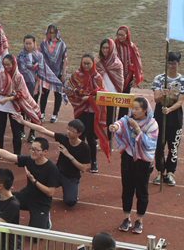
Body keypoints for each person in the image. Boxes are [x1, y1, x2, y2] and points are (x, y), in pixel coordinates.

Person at [0, 136, 59, 230]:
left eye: (36, 150)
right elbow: (9, 155)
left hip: (41, 203)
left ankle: (46, 217)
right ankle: (2, 222)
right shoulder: (29, 160)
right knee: (2, 197)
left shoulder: (51, 168)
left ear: (45, 152)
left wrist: (34, 181)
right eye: (31, 149)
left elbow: (50, 192)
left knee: (35, 237)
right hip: (27, 196)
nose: (32, 152)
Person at [13, 114, 90, 207]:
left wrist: (69, 155)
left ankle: (72, 192)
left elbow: (83, 168)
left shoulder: (84, 148)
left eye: (72, 131)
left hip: (71, 177)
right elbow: (43, 130)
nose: (69, 132)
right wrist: (23, 122)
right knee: (39, 185)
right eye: (68, 129)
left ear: (79, 134)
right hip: (57, 172)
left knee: (70, 202)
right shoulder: (64, 138)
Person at [109, 97, 158, 234]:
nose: (134, 111)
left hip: (142, 162)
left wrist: (137, 129)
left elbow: (149, 144)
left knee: (142, 192)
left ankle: (140, 220)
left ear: (145, 110)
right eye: (133, 108)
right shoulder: (128, 119)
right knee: (127, 190)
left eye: (137, 109)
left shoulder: (152, 125)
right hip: (127, 159)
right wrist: (115, 127)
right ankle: (126, 218)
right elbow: (120, 123)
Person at [16, 34, 65, 141]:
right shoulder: (19, 55)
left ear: (34, 44)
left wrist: (36, 88)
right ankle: (21, 130)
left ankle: (32, 133)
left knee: (32, 110)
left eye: (30, 43)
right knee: (22, 109)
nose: (28, 45)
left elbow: (40, 73)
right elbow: (17, 72)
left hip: (33, 86)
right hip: (22, 87)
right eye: (26, 43)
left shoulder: (39, 56)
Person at [66, 54, 109, 173]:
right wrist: (79, 94)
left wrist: (89, 98)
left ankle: (93, 161)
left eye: (88, 63)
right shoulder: (76, 75)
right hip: (80, 109)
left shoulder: (97, 77)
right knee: (80, 135)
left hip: (92, 111)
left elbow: (101, 94)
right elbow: (68, 89)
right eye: (84, 63)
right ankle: (79, 160)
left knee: (90, 137)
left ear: (93, 63)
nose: (86, 66)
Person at [0, 54, 41, 155]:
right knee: (0, 131)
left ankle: (17, 155)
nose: (6, 67)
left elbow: (20, 94)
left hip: (14, 107)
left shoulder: (19, 76)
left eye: (8, 65)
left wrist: (7, 99)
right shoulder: (1, 74)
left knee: (16, 132)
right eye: (4, 64)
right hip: (2, 106)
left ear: (13, 64)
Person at [151, 51, 183, 186]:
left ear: (178, 64)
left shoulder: (182, 81)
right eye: (168, 63)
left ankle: (170, 172)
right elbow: (156, 99)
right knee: (159, 146)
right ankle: (159, 171)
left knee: (173, 146)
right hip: (160, 116)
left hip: (175, 116)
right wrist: (162, 96)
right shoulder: (159, 78)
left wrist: (169, 109)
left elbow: (180, 101)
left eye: (173, 64)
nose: (170, 66)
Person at [95, 38, 124, 147]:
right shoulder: (98, 61)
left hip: (112, 95)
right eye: (103, 47)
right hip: (100, 94)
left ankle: (109, 142)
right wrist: (94, 63)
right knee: (98, 118)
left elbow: (120, 80)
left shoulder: (117, 63)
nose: (105, 50)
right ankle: (98, 138)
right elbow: (91, 74)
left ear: (112, 48)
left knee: (110, 119)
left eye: (107, 47)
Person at [39, 24, 68, 123]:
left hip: (58, 73)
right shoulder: (43, 44)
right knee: (44, 94)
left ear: (56, 33)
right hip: (46, 73)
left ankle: (55, 114)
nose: (51, 35)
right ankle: (42, 112)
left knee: (57, 94)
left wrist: (63, 74)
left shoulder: (61, 44)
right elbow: (40, 58)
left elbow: (65, 59)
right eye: (49, 33)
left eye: (53, 33)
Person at [115, 26, 143, 118]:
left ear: (127, 35)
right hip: (115, 77)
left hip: (128, 76)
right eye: (118, 34)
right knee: (113, 99)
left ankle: (122, 122)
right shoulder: (114, 44)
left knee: (125, 100)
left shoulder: (132, 46)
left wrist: (135, 78)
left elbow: (137, 61)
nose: (119, 37)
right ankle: (110, 122)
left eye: (122, 35)